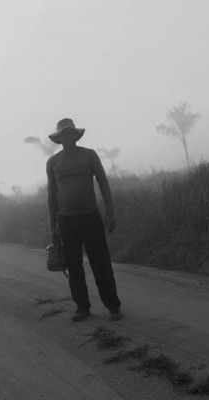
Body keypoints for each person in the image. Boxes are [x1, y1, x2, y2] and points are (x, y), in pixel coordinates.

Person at [46, 118, 122, 322]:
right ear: (59, 138)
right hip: (66, 220)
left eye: (71, 133)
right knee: (73, 265)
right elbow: (52, 194)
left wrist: (110, 212)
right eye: (64, 134)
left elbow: (103, 183)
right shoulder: (53, 162)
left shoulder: (89, 155)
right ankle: (82, 307)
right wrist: (52, 225)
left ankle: (113, 305)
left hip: (90, 217)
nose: (68, 137)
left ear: (76, 135)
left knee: (101, 263)